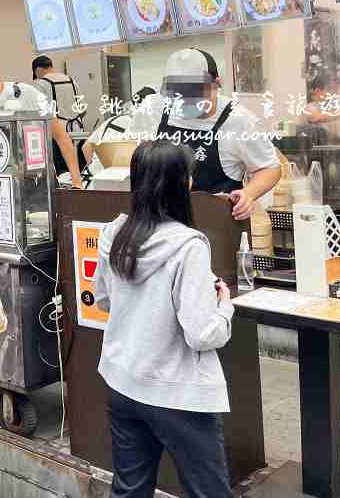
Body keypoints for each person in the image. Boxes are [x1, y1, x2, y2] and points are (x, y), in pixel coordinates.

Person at [94, 140, 234, 498]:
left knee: (130, 490)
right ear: (181, 183)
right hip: (177, 393)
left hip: (122, 381)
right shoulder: (188, 246)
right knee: (208, 491)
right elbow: (201, 334)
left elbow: (105, 300)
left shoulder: (114, 234)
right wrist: (224, 307)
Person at [127, 48, 281, 219]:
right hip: (161, 220)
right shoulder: (153, 109)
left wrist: (248, 194)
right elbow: (131, 153)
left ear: (216, 84)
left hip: (216, 224)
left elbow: (269, 168)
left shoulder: (240, 121)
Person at [0, 56, 84, 186]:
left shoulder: (26, 93)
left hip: (39, 182)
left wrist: (77, 182)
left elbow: (61, 137)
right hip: (0, 186)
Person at [82, 86, 157, 175]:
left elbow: (86, 147)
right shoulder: (144, 128)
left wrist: (94, 169)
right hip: (120, 180)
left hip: (95, 177)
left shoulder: (112, 120)